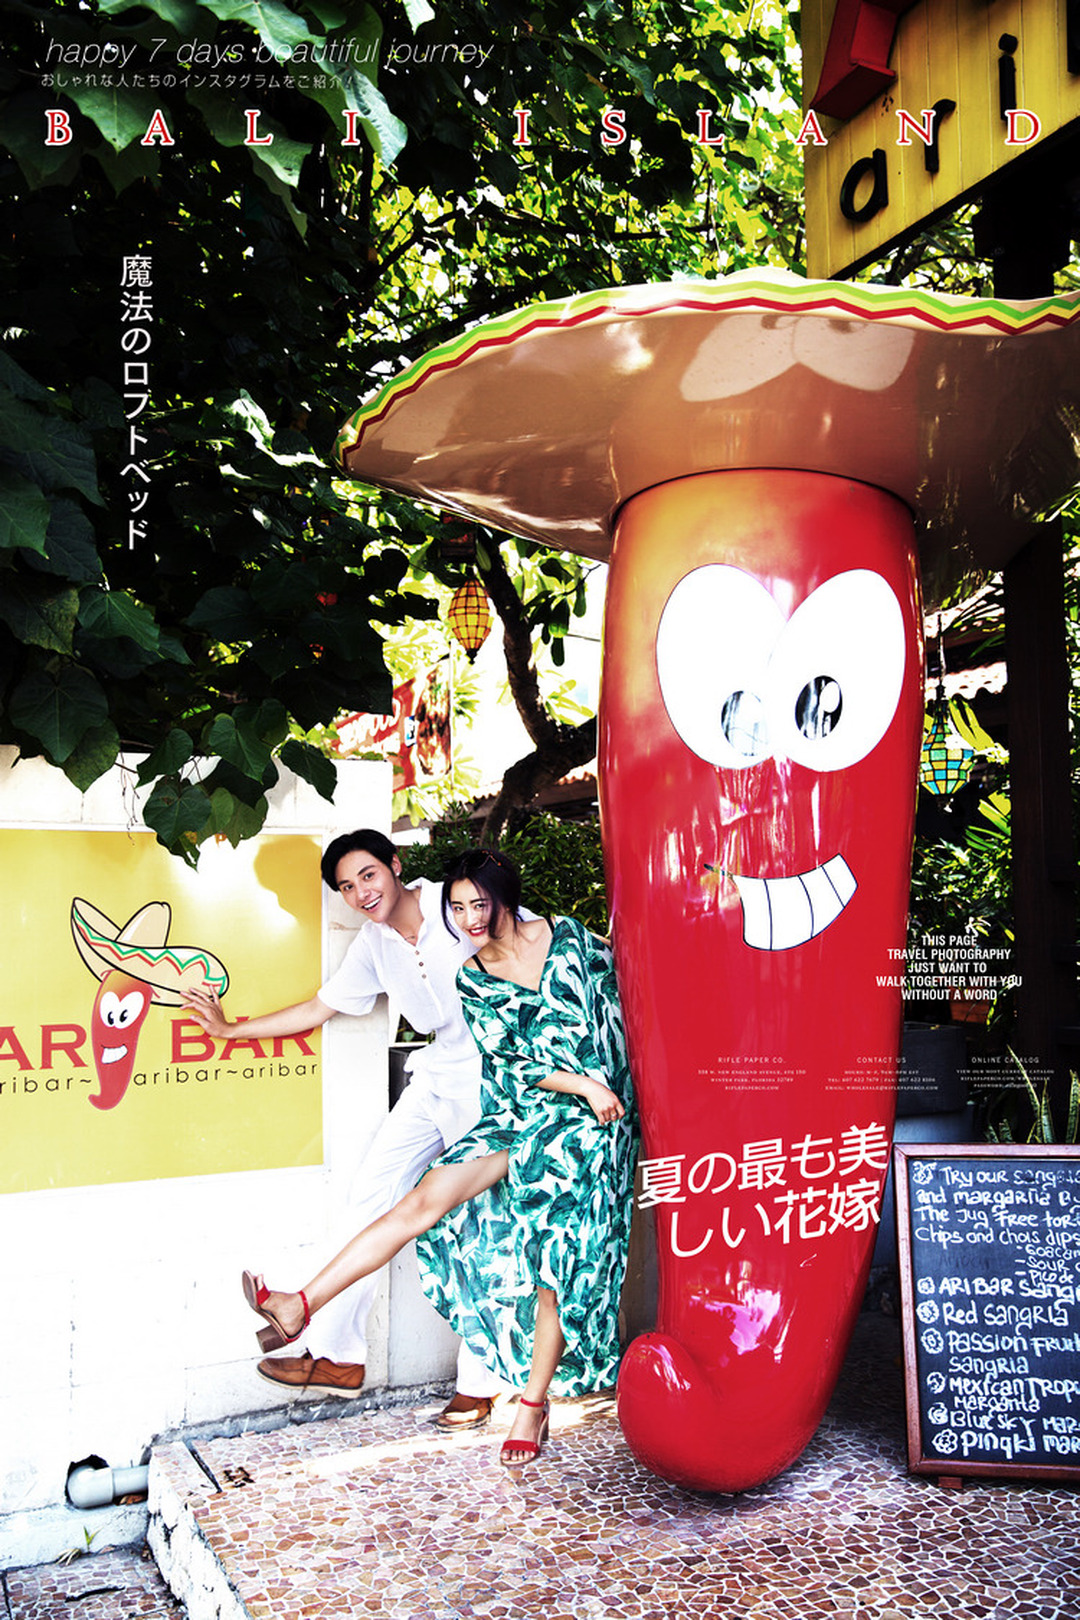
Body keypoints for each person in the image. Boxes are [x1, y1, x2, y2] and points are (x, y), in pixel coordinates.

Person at [240, 848, 637, 1464]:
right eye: (459, 908)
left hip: (590, 1125)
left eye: (480, 904)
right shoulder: (472, 975)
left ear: (506, 897)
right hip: (519, 1109)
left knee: (555, 1263)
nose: (471, 918)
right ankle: (299, 1305)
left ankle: (530, 1405)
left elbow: (620, 1006)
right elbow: (512, 1060)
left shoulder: (567, 939)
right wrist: (581, 1083)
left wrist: (610, 1091)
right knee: (421, 1202)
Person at [180, 828, 503, 1429]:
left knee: (485, 1223)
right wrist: (229, 1031)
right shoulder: (374, 944)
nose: (360, 893)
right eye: (347, 887)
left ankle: (480, 1384)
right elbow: (318, 1007)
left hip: (495, 1080)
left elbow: (535, 946)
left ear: (395, 866)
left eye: (368, 876)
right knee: (369, 1194)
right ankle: (337, 1355)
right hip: (437, 1074)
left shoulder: (455, 903)